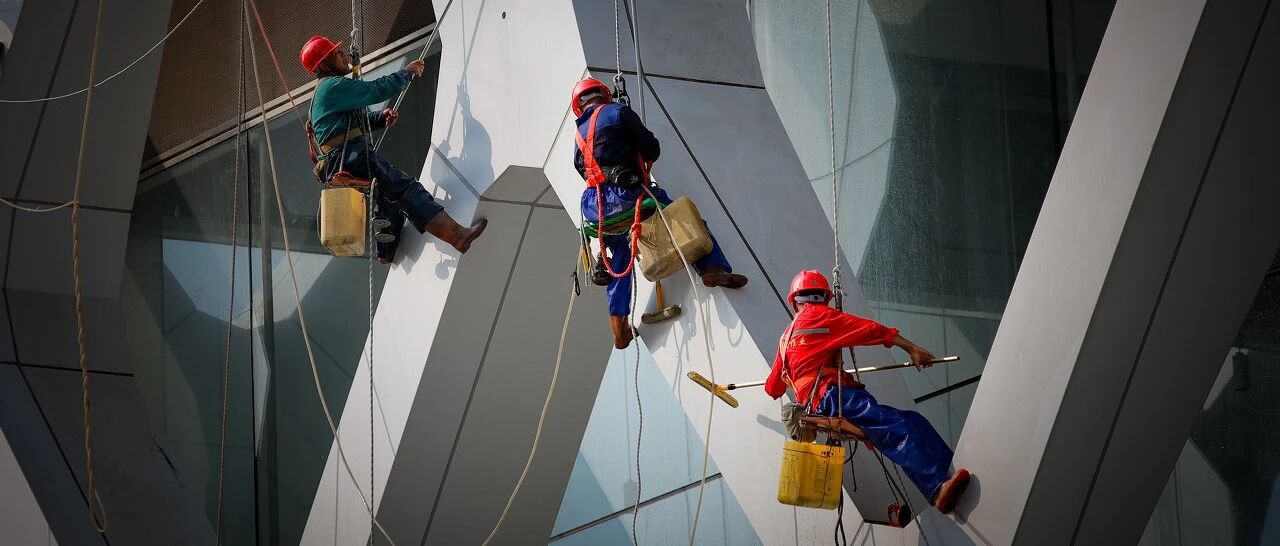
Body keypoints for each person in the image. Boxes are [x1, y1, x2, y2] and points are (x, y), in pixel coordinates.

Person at [764, 270, 971, 514]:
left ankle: (941, 482)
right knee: (902, 427)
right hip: (832, 396)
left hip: (817, 405)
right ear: (824, 297)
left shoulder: (785, 339)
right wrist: (911, 347)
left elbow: (771, 388)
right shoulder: (821, 316)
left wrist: (799, 373)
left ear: (795, 301)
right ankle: (938, 488)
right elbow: (870, 330)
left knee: (898, 429)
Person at [571, 77, 747, 349]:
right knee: (684, 217)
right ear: (603, 95)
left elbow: (581, 168)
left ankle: (618, 323)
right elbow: (652, 147)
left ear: (579, 106)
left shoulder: (579, 133)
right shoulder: (618, 111)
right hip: (629, 196)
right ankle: (712, 268)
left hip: (596, 209)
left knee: (619, 257)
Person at [301, 35, 486, 262]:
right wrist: (406, 73)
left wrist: (379, 118)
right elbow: (376, 90)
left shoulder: (324, 94)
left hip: (342, 158)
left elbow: (353, 122)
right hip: (350, 155)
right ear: (323, 65)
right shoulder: (331, 86)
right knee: (405, 189)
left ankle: (387, 253)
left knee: (388, 199)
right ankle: (457, 236)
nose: (342, 54)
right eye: (334, 54)